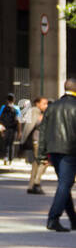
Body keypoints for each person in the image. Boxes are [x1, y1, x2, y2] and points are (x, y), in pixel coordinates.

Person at [42, 79, 76, 232]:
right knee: (65, 184)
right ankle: (53, 218)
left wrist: (41, 154)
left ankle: (73, 220)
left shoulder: (52, 106)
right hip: (70, 151)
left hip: (54, 150)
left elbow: (43, 131)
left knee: (64, 183)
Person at [21, 97, 49, 194]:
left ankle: (31, 185)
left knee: (35, 164)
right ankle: (36, 183)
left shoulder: (35, 111)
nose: (46, 106)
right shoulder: (35, 111)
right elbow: (31, 125)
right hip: (37, 141)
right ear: (37, 103)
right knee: (44, 162)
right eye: (44, 103)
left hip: (35, 141)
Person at [0, 93, 21, 166]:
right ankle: (10, 159)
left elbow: (0, 119)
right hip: (13, 129)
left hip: (5, 128)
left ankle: (5, 157)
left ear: (7, 100)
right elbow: (19, 121)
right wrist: (19, 131)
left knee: (5, 144)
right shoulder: (16, 108)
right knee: (11, 144)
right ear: (14, 100)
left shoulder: (3, 107)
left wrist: (1, 130)